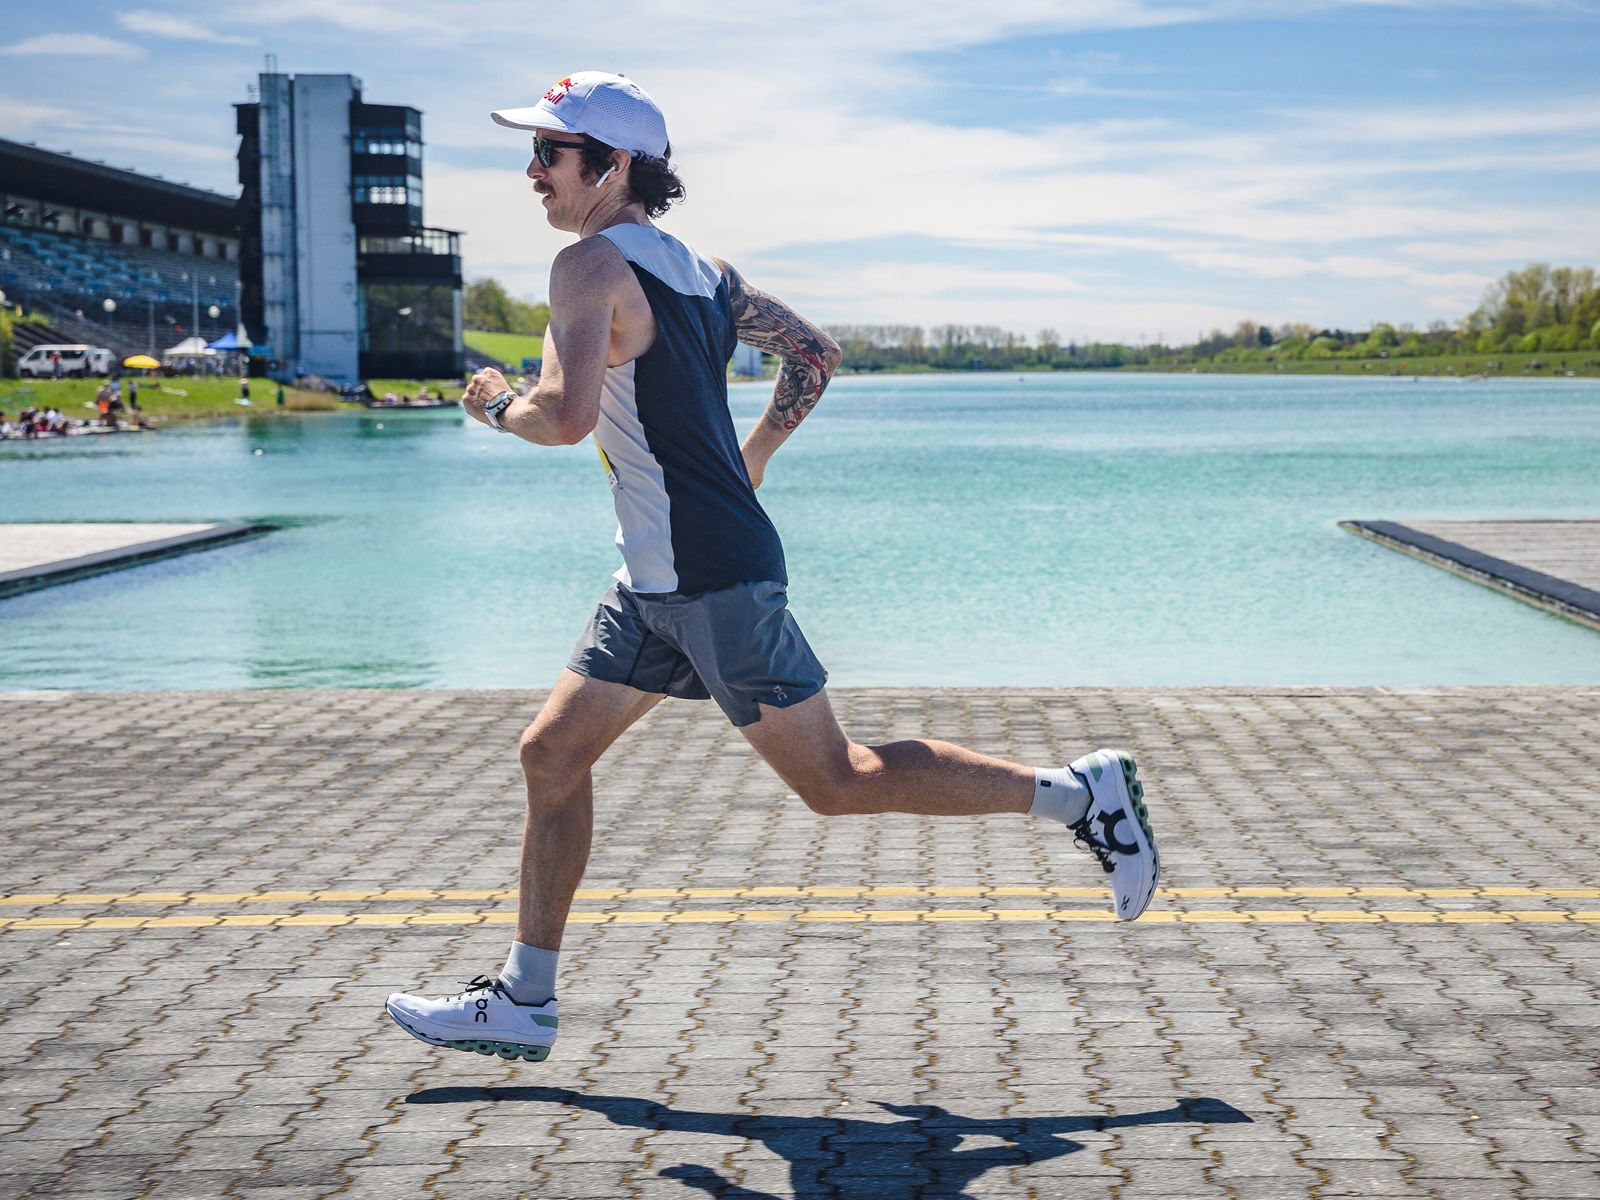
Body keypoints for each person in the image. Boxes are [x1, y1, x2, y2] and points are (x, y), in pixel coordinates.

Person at [385, 71, 1158, 1064]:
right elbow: (816, 353)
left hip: (710, 578)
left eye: (550, 154)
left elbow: (564, 418)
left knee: (839, 782)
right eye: (533, 151)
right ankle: (525, 999)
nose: (531, 173)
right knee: (551, 754)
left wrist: (492, 405)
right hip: (654, 582)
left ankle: (1079, 794)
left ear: (612, 168)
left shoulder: (586, 269)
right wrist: (752, 458)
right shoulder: (703, 272)